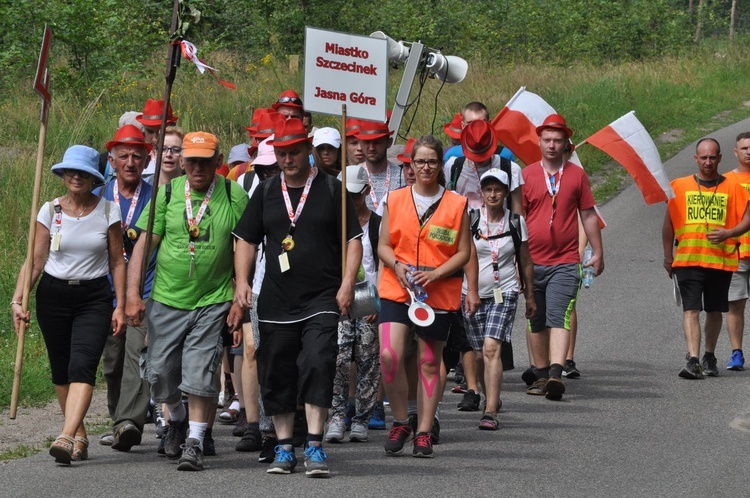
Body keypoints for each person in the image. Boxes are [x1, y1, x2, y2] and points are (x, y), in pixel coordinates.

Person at [233, 118, 363, 477]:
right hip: (275, 300)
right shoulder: (266, 191)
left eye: (294, 152)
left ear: (308, 149)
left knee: (319, 360)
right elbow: (245, 238)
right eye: (282, 153)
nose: (288, 159)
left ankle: (316, 447)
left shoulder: (333, 190)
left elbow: (353, 240)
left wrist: (347, 283)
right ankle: (285, 447)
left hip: (321, 296)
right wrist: (242, 281)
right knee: (276, 371)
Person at [126, 131, 247, 471]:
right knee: (160, 371)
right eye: (191, 160)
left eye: (205, 160)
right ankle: (176, 419)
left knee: (201, 370)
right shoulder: (165, 195)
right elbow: (142, 246)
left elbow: (244, 244)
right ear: (181, 162)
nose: (198, 167)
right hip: (166, 299)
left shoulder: (231, 194)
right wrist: (133, 295)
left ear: (217, 162)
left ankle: (194, 440)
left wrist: (240, 293)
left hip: (213, 299)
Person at [11, 145, 126, 464]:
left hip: (94, 297)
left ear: (93, 178)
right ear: (63, 175)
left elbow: (117, 262)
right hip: (53, 295)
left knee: (82, 366)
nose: (77, 177)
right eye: (71, 171)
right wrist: (18, 299)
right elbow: (34, 262)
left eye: (84, 173)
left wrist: (120, 305)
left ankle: (64, 434)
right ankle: (79, 434)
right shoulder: (49, 211)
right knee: (61, 369)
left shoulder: (108, 211)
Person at [377, 135, 472, 458]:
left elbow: (463, 252)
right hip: (397, 288)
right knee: (389, 355)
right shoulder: (395, 199)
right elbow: (383, 245)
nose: (426, 167)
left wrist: (436, 273)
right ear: (411, 165)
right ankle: (401, 420)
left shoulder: (457, 204)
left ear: (439, 165)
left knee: (430, 363)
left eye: (432, 161)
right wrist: (398, 266)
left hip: (437, 293)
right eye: (420, 162)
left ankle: (423, 430)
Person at [523, 114, 603, 401]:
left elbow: (588, 215)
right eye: (547, 140)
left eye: (558, 141)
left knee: (560, 316)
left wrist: (597, 251)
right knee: (536, 317)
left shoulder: (576, 175)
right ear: (539, 141)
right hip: (532, 261)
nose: (552, 145)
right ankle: (541, 374)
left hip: (566, 261)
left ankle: (556, 374)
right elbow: (519, 218)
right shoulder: (528, 175)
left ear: (565, 143)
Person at [663, 137, 750, 379]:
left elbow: (747, 218)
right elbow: (668, 224)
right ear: (696, 158)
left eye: (713, 157)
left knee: (714, 310)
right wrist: (667, 256)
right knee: (691, 309)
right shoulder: (678, 186)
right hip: (688, 259)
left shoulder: (733, 187)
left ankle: (709, 356)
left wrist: (730, 233)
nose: (708, 162)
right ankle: (693, 359)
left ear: (720, 158)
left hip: (720, 261)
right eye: (704, 157)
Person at [464, 169, 535, 430]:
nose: (493, 194)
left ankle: (491, 411)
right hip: (471, 294)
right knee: (480, 353)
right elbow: (463, 255)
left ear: (506, 193)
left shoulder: (515, 221)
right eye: (488, 189)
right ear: (481, 193)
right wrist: (470, 291)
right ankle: (489, 397)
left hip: (503, 292)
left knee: (493, 348)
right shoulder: (471, 220)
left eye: (498, 189)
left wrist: (530, 296)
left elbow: (526, 261)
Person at [98, 125, 154, 452]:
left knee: (137, 353)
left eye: (137, 155)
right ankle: (117, 416)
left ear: (146, 160)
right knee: (112, 360)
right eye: (124, 156)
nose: (130, 162)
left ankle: (128, 422)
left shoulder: (157, 197)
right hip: (103, 289)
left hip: (144, 289)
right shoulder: (99, 196)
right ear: (112, 160)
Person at [325, 165, 382, 444]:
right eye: (345, 195)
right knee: (338, 359)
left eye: (356, 196)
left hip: (368, 300)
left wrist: (379, 300)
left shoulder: (377, 223)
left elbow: (384, 264)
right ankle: (336, 416)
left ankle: (361, 418)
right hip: (338, 299)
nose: (350, 201)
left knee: (369, 359)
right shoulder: (331, 223)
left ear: (367, 192)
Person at [723, 132, 750, 371]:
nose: (748, 152)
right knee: (735, 305)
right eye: (744, 148)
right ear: (735, 152)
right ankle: (736, 353)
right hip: (737, 253)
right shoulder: (727, 181)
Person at [355, 120, 403, 212]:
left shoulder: (403, 176)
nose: (372, 148)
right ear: (360, 143)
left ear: (389, 142)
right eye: (367, 142)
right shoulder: (347, 176)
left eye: (377, 142)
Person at [135, 98, 178, 182]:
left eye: (160, 132)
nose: (155, 139)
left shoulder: (183, 156)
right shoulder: (134, 158)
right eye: (150, 132)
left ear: (172, 128)